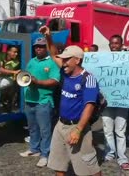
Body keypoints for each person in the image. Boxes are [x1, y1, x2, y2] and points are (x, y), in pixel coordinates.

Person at [40, 26, 102, 176]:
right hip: (60, 125)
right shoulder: (66, 71)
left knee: (89, 168)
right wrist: (48, 36)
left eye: (67, 59)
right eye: (63, 59)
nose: (63, 62)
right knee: (58, 165)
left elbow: (89, 107)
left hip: (77, 128)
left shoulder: (88, 79)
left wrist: (78, 130)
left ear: (77, 60)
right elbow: (54, 54)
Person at [19, 37, 60, 168]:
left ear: (46, 48)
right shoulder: (31, 61)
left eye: (41, 46)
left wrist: (38, 82)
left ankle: (45, 154)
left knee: (45, 130)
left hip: (43, 100)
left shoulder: (52, 62)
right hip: (29, 100)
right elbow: (26, 76)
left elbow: (55, 81)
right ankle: (34, 149)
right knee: (32, 127)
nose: (38, 48)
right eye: (36, 46)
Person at [101, 34, 129, 170]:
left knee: (120, 131)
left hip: (122, 101)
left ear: (121, 44)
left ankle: (122, 157)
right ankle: (109, 153)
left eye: (116, 43)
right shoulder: (102, 60)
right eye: (112, 43)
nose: (114, 46)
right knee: (107, 130)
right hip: (106, 101)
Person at [0, 45, 21, 111]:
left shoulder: (16, 62)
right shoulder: (1, 55)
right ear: (8, 52)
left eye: (17, 52)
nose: (16, 54)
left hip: (10, 79)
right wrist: (13, 71)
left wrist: (7, 72)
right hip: (0, 78)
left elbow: (1, 70)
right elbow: (0, 69)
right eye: (14, 52)